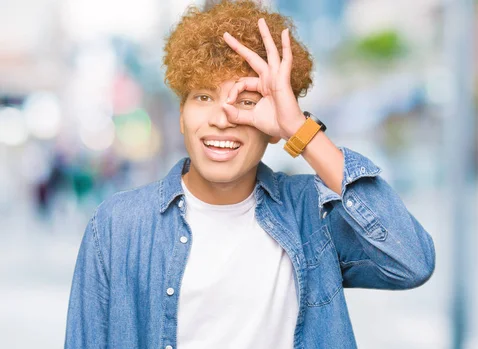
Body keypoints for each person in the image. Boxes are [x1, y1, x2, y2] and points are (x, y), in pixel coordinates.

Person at [64, 1, 436, 348]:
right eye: (204, 97)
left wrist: (299, 129)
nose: (223, 119)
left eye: (246, 102)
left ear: (272, 127)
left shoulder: (312, 213)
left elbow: (411, 262)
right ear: (181, 114)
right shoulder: (117, 226)